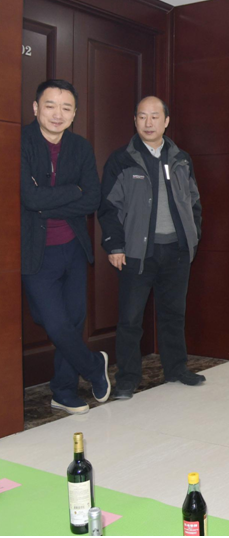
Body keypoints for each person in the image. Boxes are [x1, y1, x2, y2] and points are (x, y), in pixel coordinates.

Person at [98, 96, 203, 400]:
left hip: (177, 251)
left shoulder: (181, 158)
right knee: (130, 319)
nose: (148, 122)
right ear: (135, 120)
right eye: (142, 116)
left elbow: (194, 202)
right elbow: (109, 208)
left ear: (166, 121)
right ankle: (127, 379)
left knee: (173, 314)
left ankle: (177, 368)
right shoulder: (122, 159)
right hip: (137, 252)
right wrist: (115, 246)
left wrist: (192, 237)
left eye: (155, 116)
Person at [21, 79, 110, 415]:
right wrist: (72, 192)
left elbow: (92, 199)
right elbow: (28, 198)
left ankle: (63, 390)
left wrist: (46, 202)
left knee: (72, 322)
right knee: (55, 323)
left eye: (66, 108)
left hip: (73, 247)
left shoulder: (80, 147)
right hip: (36, 250)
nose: (57, 114)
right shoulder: (20, 142)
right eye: (50, 105)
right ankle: (93, 365)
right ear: (36, 108)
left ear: (74, 114)